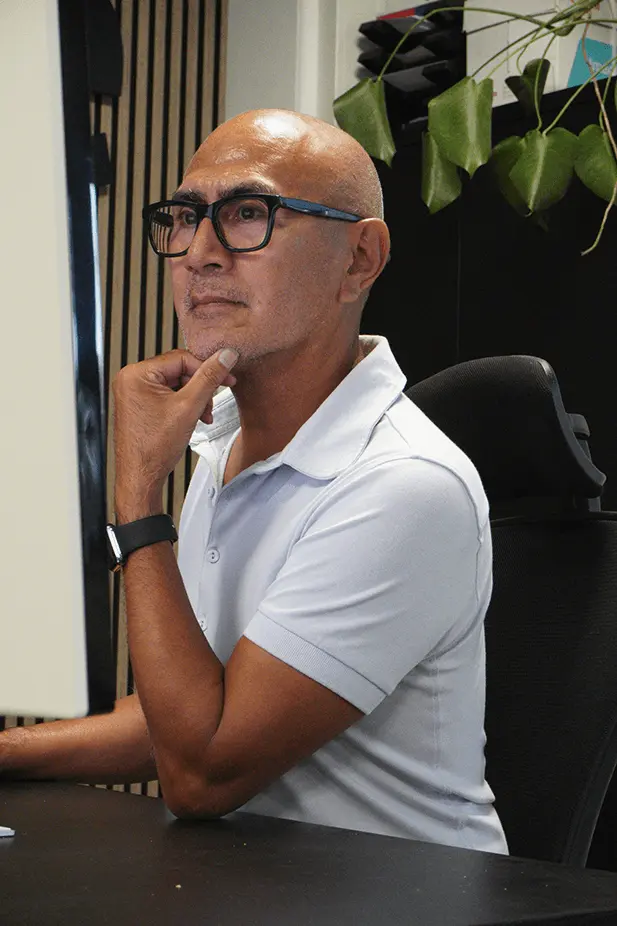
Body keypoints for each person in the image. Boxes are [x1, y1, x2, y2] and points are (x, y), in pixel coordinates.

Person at [0, 109, 507, 854]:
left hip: (396, 896)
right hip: (254, 883)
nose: (198, 254)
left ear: (359, 259)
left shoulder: (403, 484)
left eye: (247, 214)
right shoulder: (226, 447)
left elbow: (202, 770)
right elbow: (185, 712)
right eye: (184, 218)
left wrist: (138, 499)